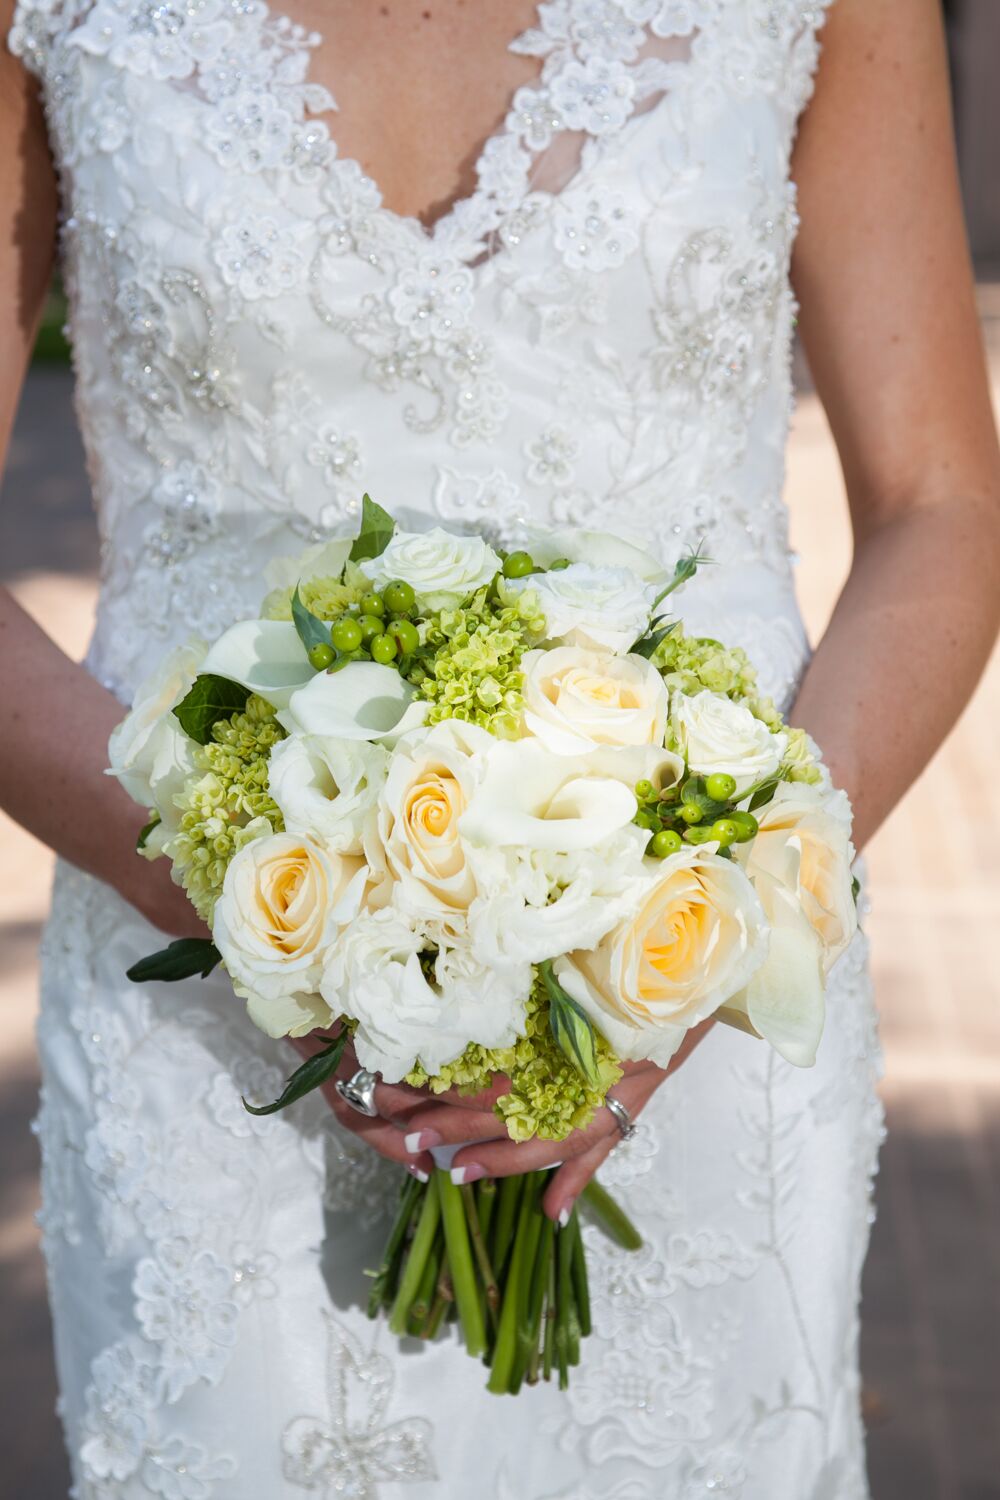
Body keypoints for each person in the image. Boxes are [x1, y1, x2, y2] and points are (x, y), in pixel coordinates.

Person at [2, 1, 998, 1495]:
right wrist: (250, 890)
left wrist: (701, 936)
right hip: (211, 1016)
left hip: (696, 1017)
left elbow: (940, 505)